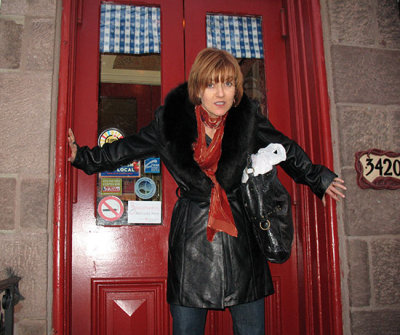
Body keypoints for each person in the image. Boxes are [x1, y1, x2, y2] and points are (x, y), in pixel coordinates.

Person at [68, 48, 346, 335]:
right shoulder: (170, 122)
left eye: (228, 83)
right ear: (198, 88)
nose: (221, 93)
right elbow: (125, 150)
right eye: (211, 83)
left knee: (251, 329)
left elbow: (283, 148)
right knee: (187, 328)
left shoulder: (246, 119)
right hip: (193, 242)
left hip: (241, 239)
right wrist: (82, 157)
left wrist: (316, 177)